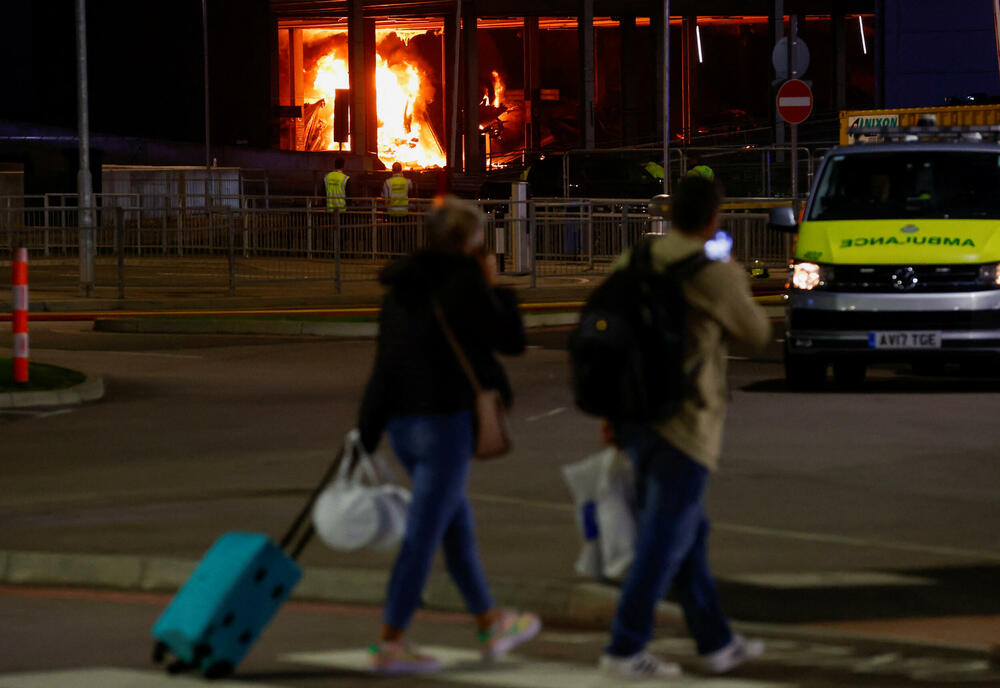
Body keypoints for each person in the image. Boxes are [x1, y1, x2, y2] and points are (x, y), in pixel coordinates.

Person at [358, 196, 540, 675]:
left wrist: (367, 430)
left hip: (401, 425)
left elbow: (386, 363)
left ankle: (490, 620)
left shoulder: (403, 287)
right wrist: (496, 288)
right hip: (444, 423)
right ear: (466, 240)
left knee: (456, 526)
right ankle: (391, 640)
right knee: (424, 534)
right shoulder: (462, 282)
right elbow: (512, 340)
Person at [598, 176, 771, 680]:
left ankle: (716, 642)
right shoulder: (714, 274)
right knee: (664, 539)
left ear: (671, 214)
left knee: (688, 532)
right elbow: (758, 333)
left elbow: (610, 341)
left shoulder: (633, 261)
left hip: (633, 415)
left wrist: (611, 413)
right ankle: (625, 647)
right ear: (714, 218)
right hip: (684, 422)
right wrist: (732, 275)